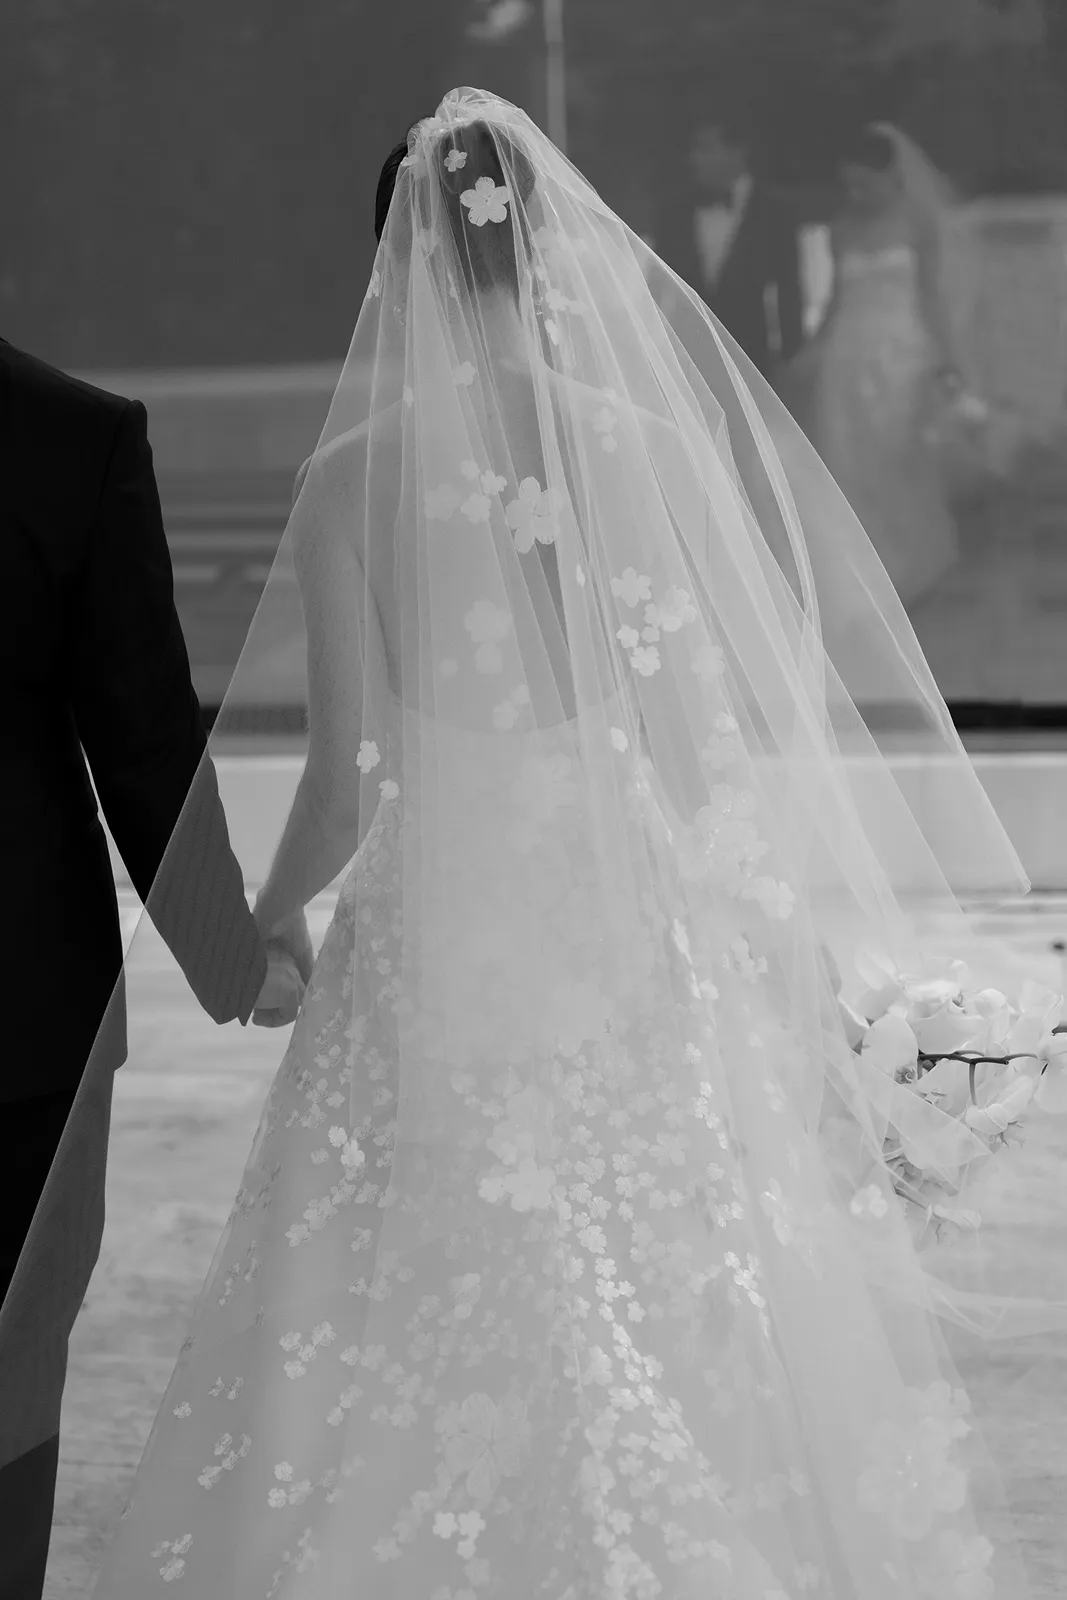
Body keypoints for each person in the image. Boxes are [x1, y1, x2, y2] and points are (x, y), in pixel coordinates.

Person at [85, 90, 1058, 1596]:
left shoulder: (353, 479)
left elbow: (343, 785)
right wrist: (794, 971)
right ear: (547, 251)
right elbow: (699, 766)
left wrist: (266, 923)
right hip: (614, 926)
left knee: (406, 1271)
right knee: (660, 1255)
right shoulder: (634, 445)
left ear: (394, 264)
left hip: (438, 943)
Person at [0, 337, 306, 1599]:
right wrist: (235, 959)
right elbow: (141, 733)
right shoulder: (69, 436)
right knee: (12, 1356)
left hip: (29, 1004)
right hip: (20, 996)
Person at [778, 125, 965, 609]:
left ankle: (908, 570)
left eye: (865, 183)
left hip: (904, 356)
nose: (856, 195)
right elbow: (834, 302)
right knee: (848, 468)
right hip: (846, 359)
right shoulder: (841, 228)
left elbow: (931, 295)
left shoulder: (917, 223)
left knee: (898, 465)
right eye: (849, 185)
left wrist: (947, 361)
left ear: (891, 175)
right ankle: (861, 577)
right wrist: (811, 353)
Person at [653, 116, 804, 378]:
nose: (695, 159)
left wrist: (791, 356)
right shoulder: (672, 214)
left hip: (752, 358)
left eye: (706, 149)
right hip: (685, 360)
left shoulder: (775, 212)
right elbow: (658, 290)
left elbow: (788, 290)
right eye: (694, 150)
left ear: (737, 153)